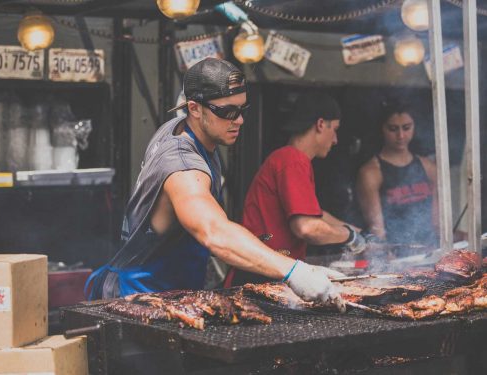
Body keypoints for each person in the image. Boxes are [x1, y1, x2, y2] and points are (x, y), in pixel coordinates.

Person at [85, 58, 345, 310]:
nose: (239, 120)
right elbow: (214, 231)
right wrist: (293, 271)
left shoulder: (183, 127)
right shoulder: (183, 165)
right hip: (139, 298)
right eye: (228, 111)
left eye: (242, 109)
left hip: (172, 293)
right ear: (194, 109)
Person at [225, 92, 371, 286]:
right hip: (261, 277)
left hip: (267, 272)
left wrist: (358, 231)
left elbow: (316, 215)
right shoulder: (293, 160)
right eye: (334, 129)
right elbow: (307, 228)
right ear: (320, 124)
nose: (335, 140)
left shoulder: (289, 159)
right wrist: (350, 237)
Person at [356, 99, 438, 247]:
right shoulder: (371, 172)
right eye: (393, 129)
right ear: (382, 129)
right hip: (395, 254)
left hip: (430, 249)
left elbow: (438, 221)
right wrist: (386, 254)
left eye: (406, 128)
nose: (401, 136)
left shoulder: (429, 167)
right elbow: (377, 229)